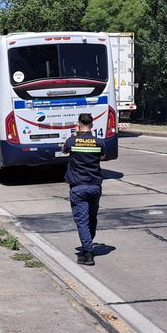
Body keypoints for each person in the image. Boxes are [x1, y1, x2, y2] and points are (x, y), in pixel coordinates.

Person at [62, 113, 106, 266]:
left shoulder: (72, 141)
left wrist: (76, 134)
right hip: (95, 186)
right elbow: (103, 156)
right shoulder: (99, 142)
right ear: (92, 126)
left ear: (78, 124)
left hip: (78, 187)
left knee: (82, 221)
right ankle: (88, 243)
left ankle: (87, 253)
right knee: (91, 218)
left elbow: (63, 150)